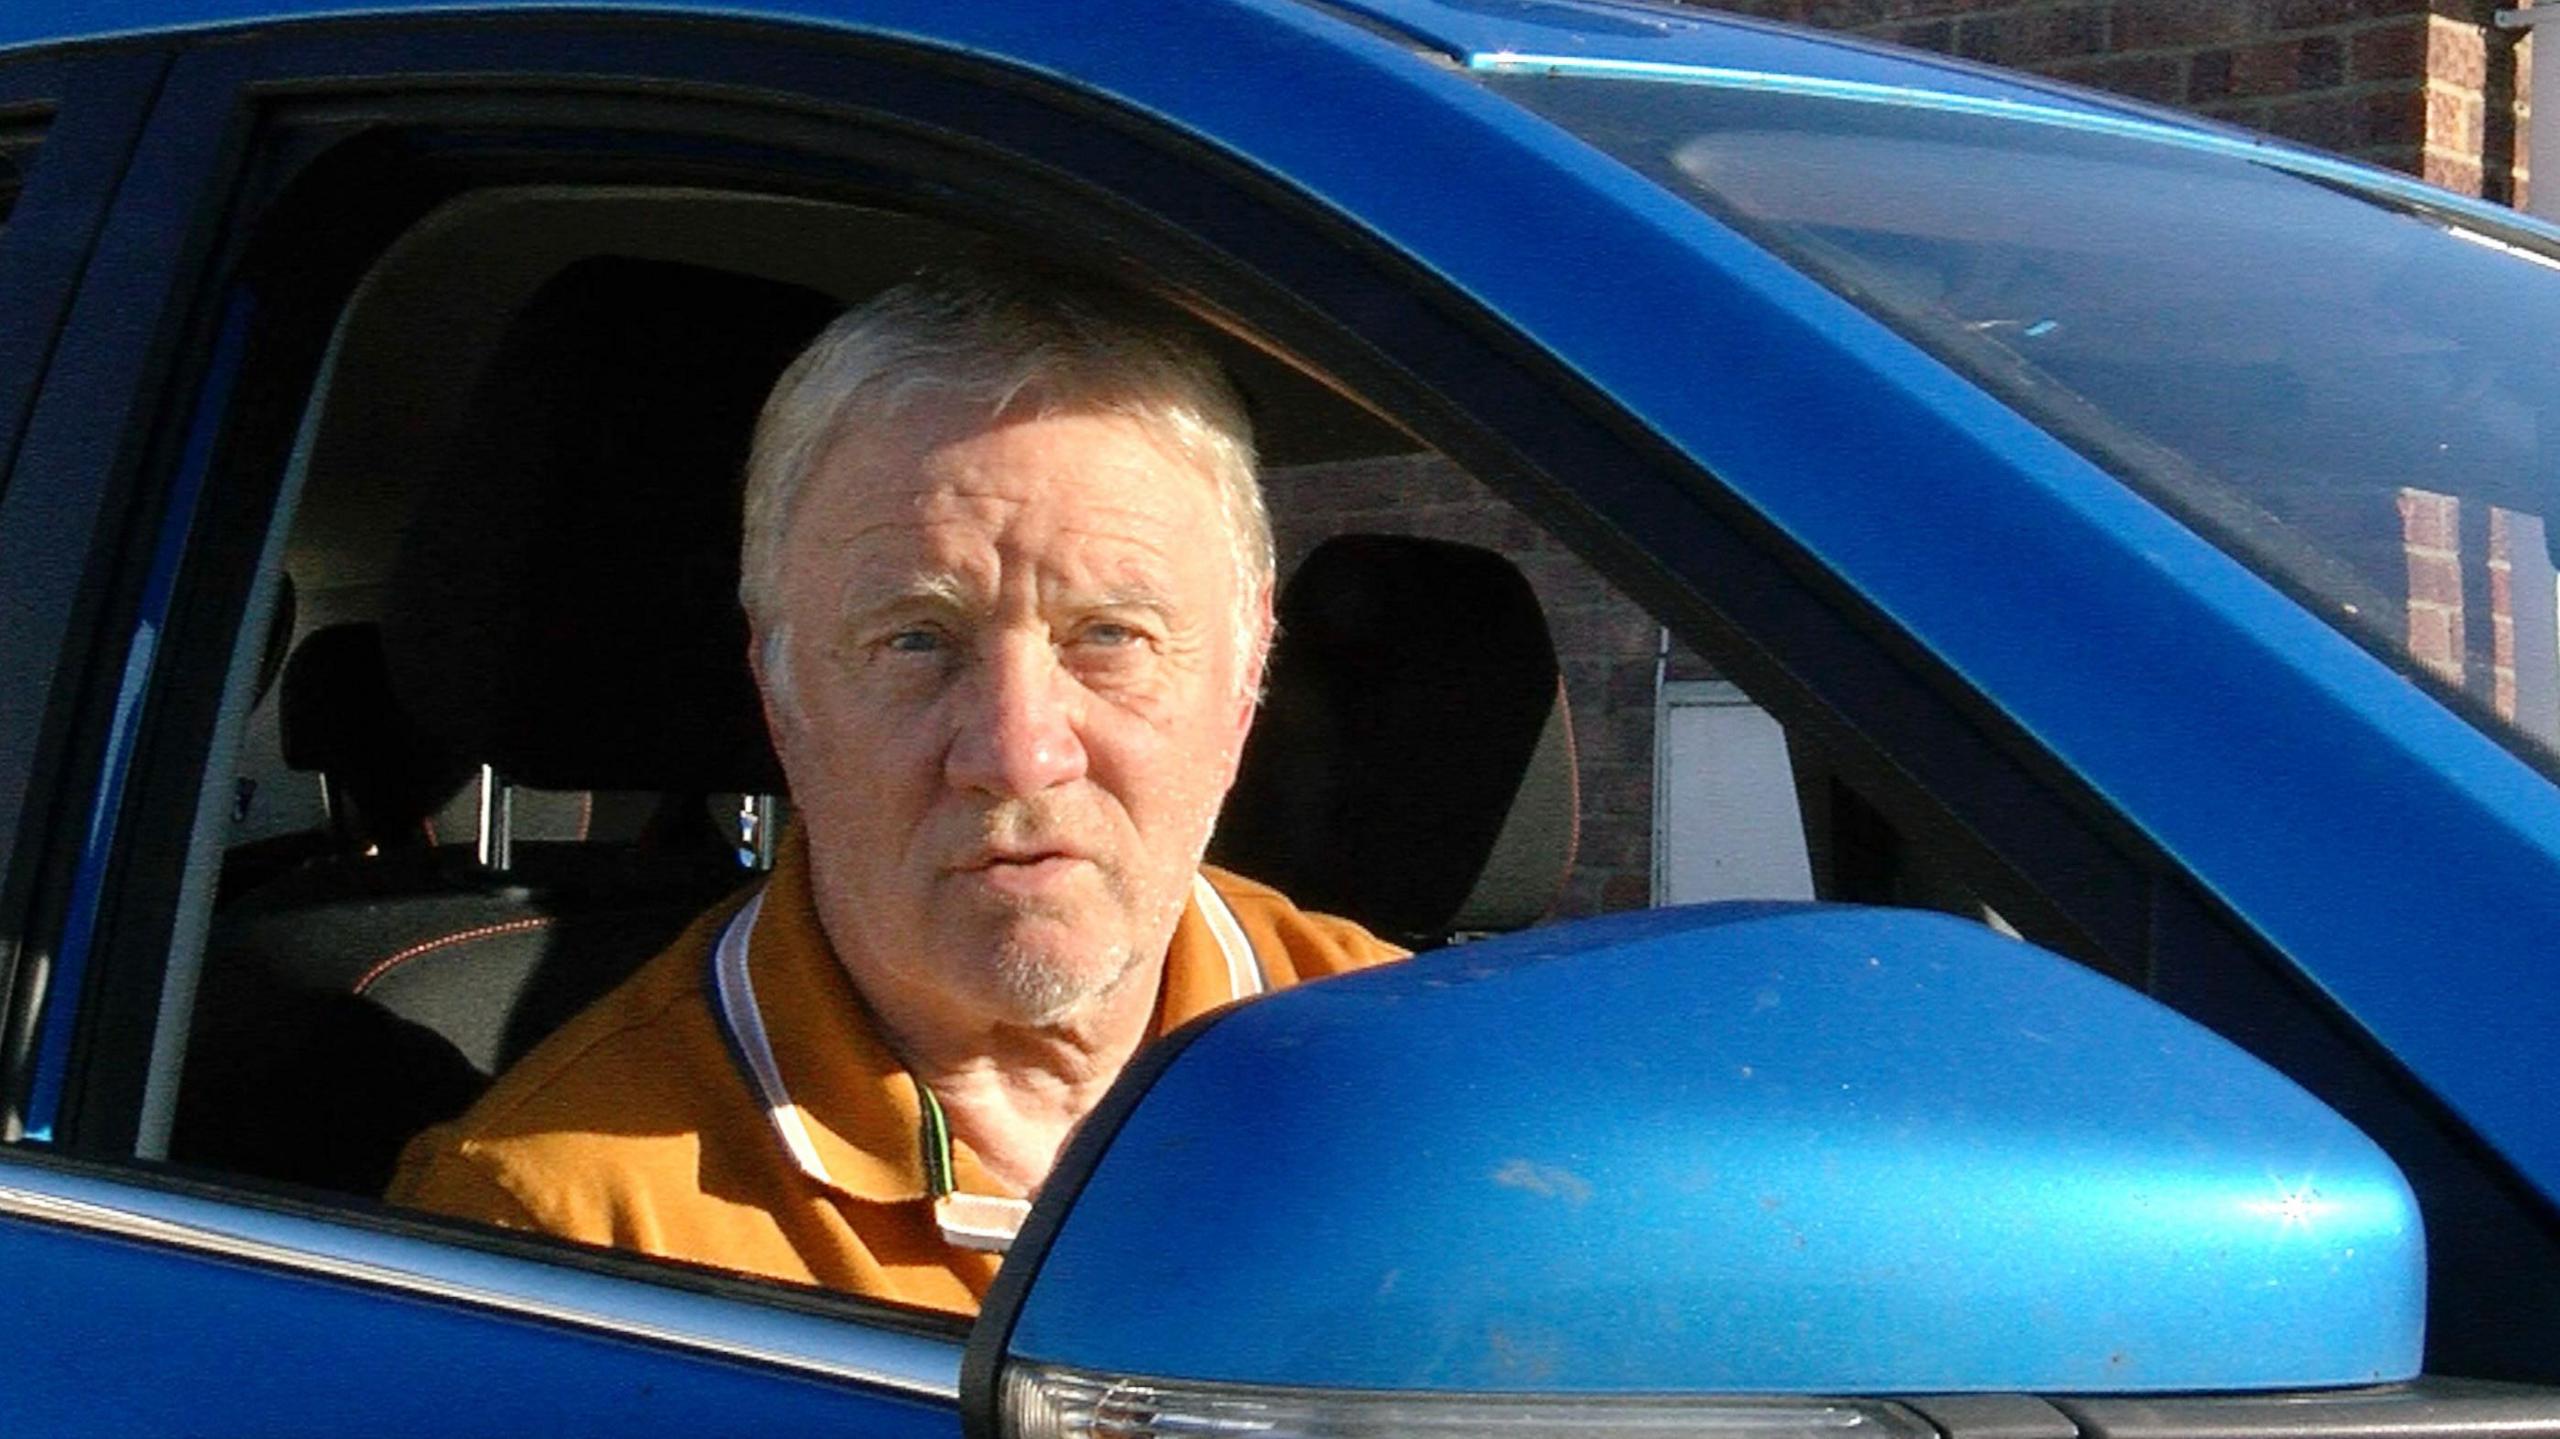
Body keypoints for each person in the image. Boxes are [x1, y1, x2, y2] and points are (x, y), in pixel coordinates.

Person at [387, 269, 1402, 1315]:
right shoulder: (561, 1236)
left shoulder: (1427, 1075)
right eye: (915, 639)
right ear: (782, 698)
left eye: (1110, 634)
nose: (1018, 752)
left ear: (1244, 680)